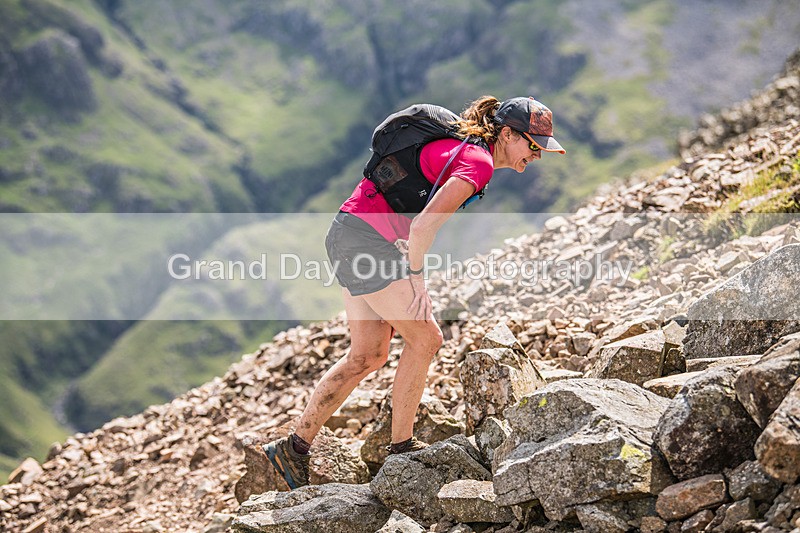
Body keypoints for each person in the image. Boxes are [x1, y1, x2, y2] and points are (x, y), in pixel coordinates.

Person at [263, 96, 565, 490]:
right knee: (426, 338)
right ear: (507, 134)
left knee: (367, 355)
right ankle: (401, 448)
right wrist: (417, 278)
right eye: (533, 145)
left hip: (348, 231)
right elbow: (423, 228)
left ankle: (293, 448)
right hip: (367, 242)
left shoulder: (467, 148)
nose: (537, 156)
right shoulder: (479, 162)